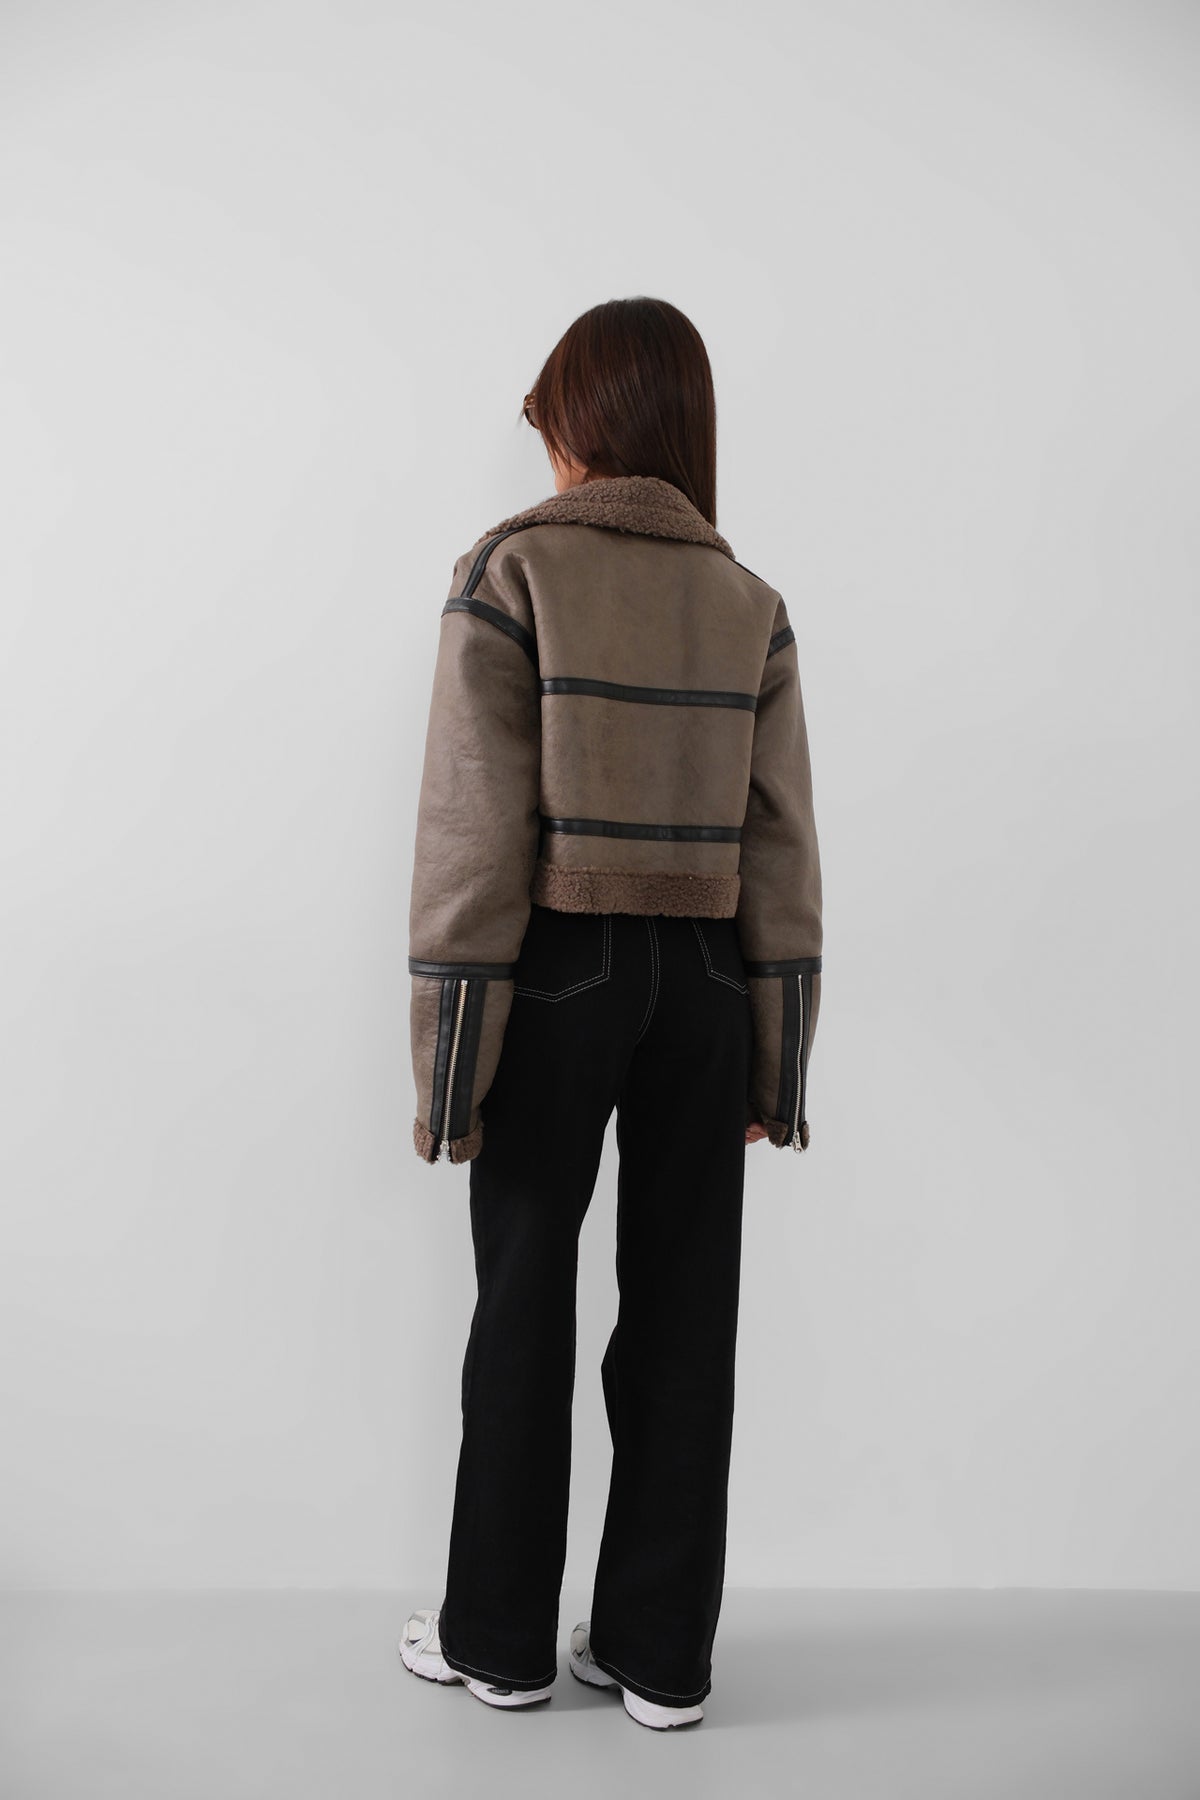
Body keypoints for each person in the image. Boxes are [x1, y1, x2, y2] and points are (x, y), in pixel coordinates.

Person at [398, 296, 823, 1730]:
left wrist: (449, 1067)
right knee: (689, 1310)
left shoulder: (513, 567)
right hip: (706, 979)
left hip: (557, 969)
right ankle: (660, 1657)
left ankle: (499, 1642)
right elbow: (781, 843)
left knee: (524, 1297)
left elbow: (470, 835)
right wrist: (778, 1057)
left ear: (583, 424)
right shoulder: (749, 601)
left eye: (553, 426)